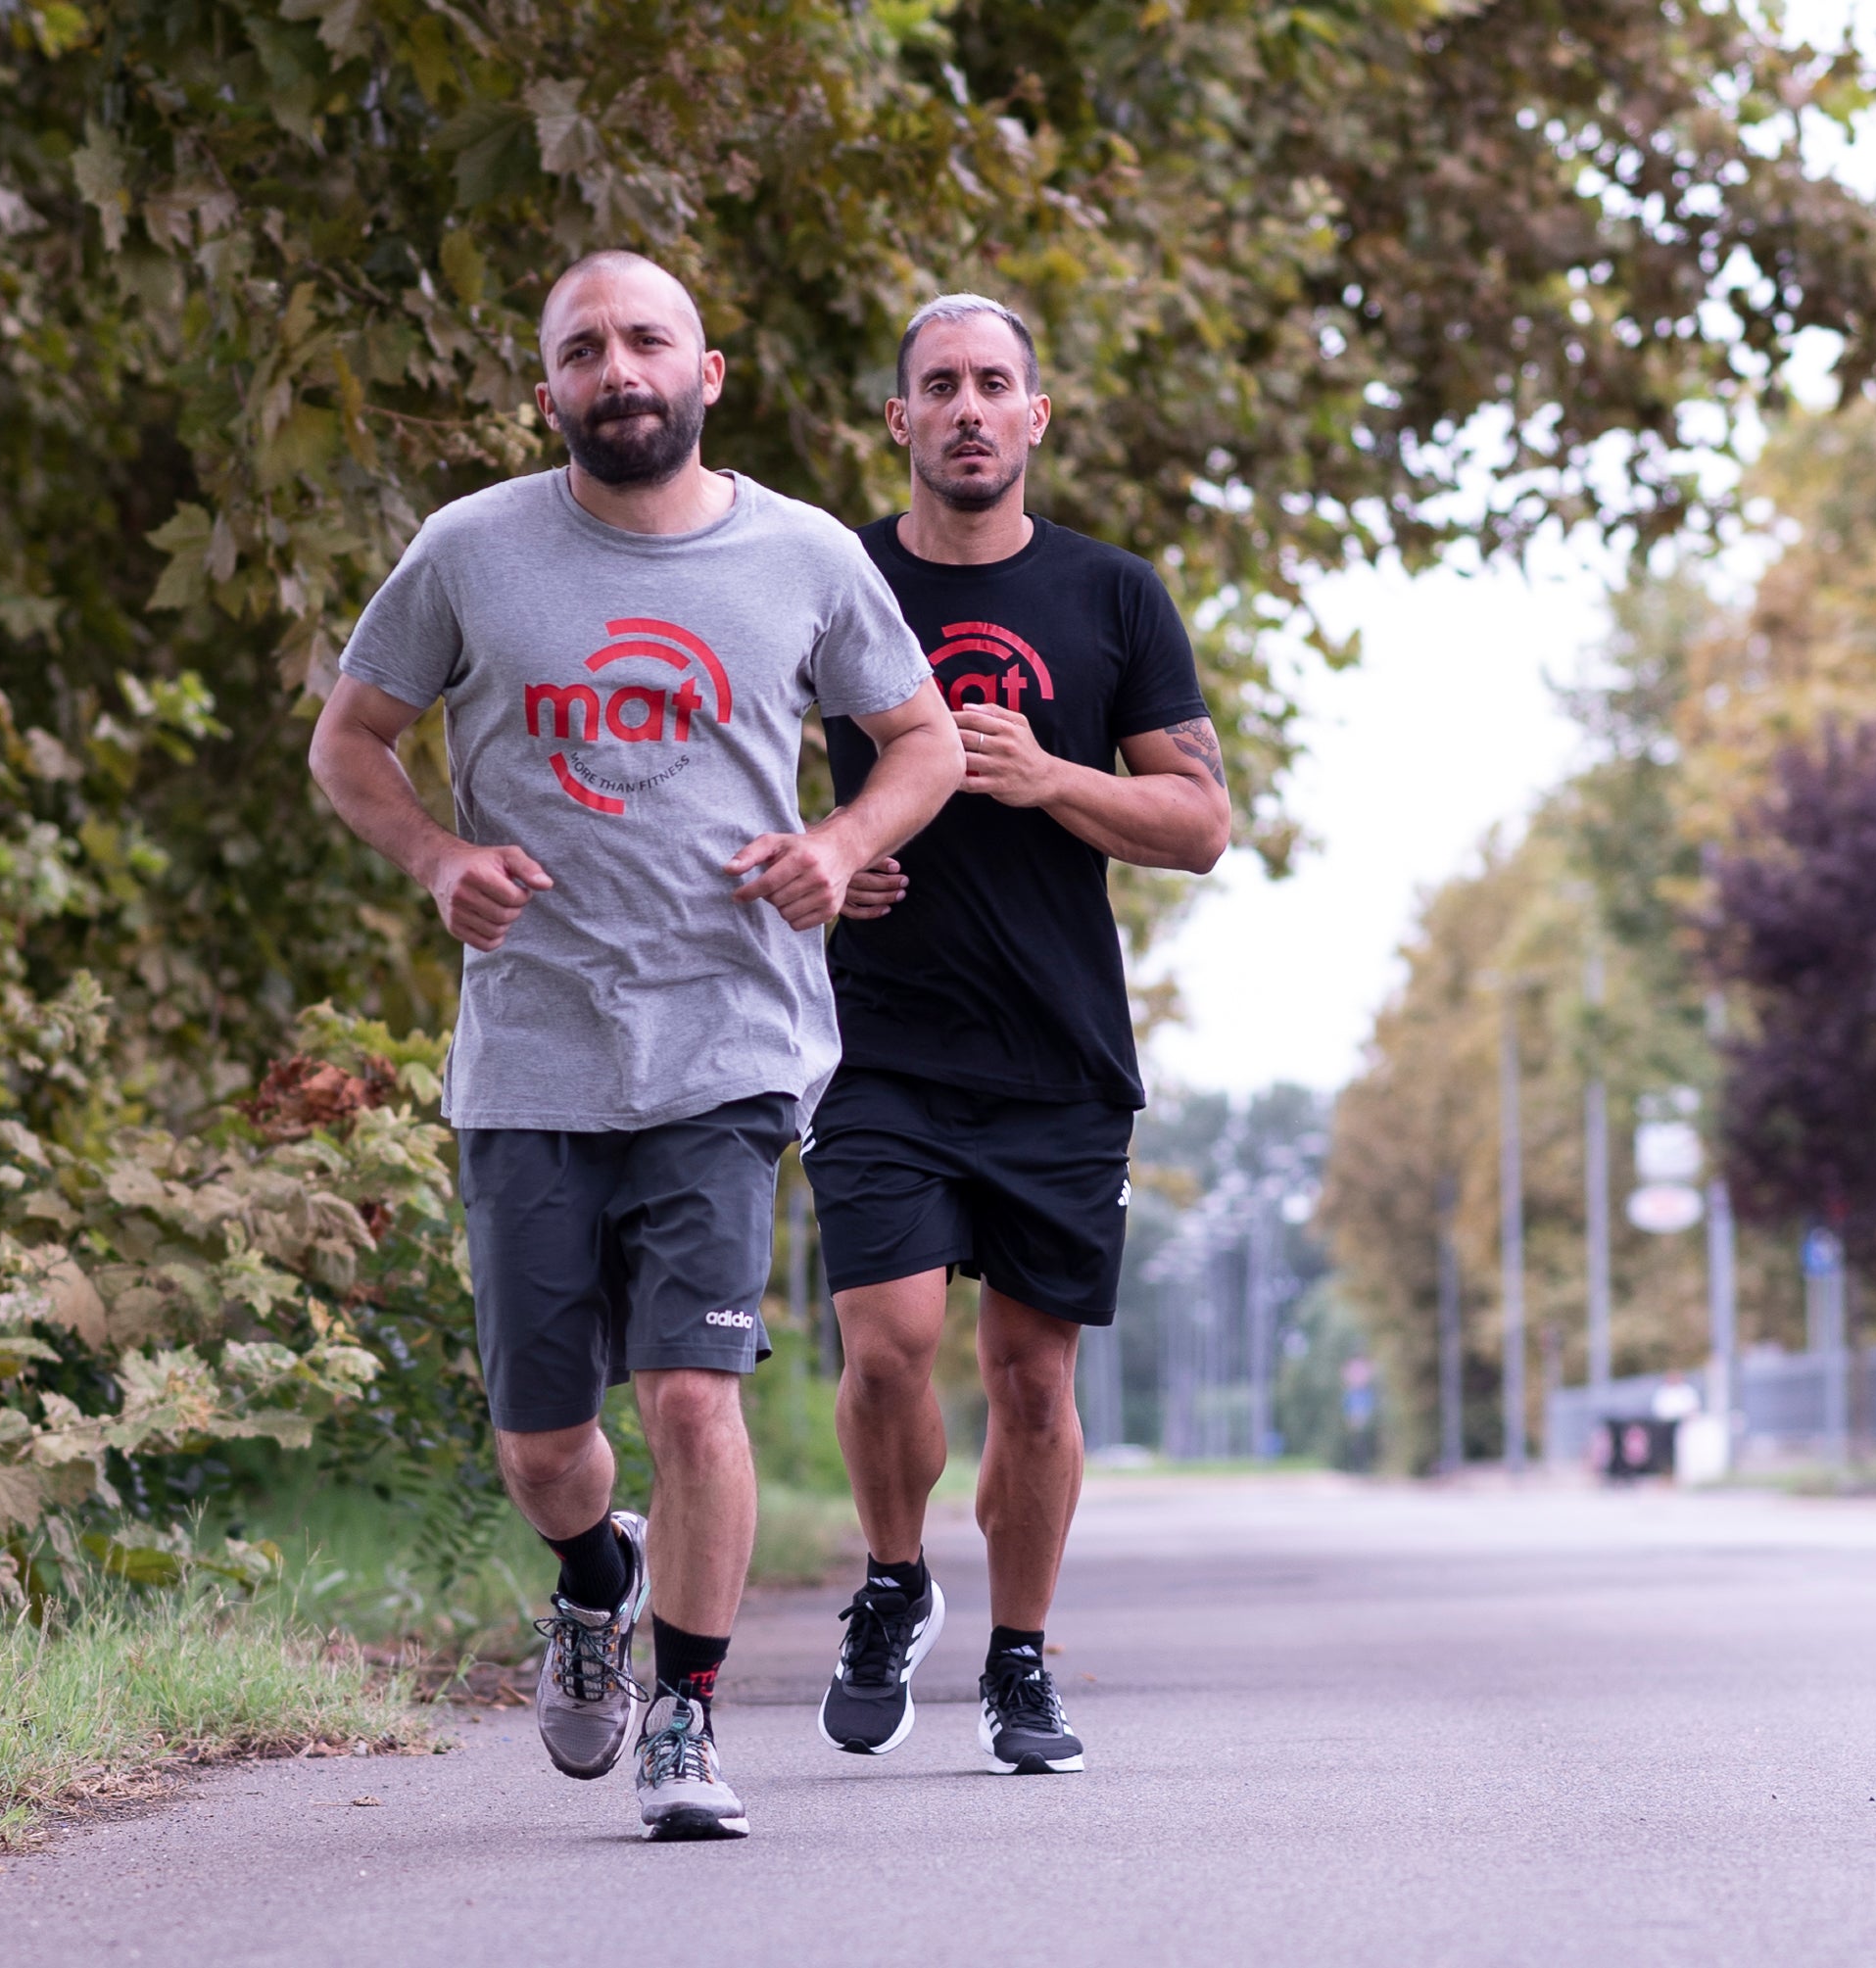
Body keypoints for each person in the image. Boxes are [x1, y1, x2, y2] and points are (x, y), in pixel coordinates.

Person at [308, 251, 960, 1840]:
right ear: (551, 390)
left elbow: (924, 736)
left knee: (690, 1398)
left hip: (727, 1047)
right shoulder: (472, 550)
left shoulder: (802, 555)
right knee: (546, 1446)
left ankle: (686, 1713)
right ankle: (593, 1582)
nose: (619, 368)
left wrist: (842, 835)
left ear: (706, 371)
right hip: (532, 1056)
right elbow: (351, 739)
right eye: (584, 349)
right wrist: (440, 860)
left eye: (646, 340)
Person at [805, 294, 1231, 1774]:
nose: (971, 407)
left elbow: (1200, 822)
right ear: (900, 421)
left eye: (996, 384)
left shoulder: (1114, 598)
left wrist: (1053, 778)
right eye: (941, 386)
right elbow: (715, 762)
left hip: (1058, 1053)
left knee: (1036, 1380)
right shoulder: (833, 577)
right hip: (877, 1040)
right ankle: (892, 1576)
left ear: (1037, 417)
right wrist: (827, 850)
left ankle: (1020, 1658)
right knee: (888, 1343)